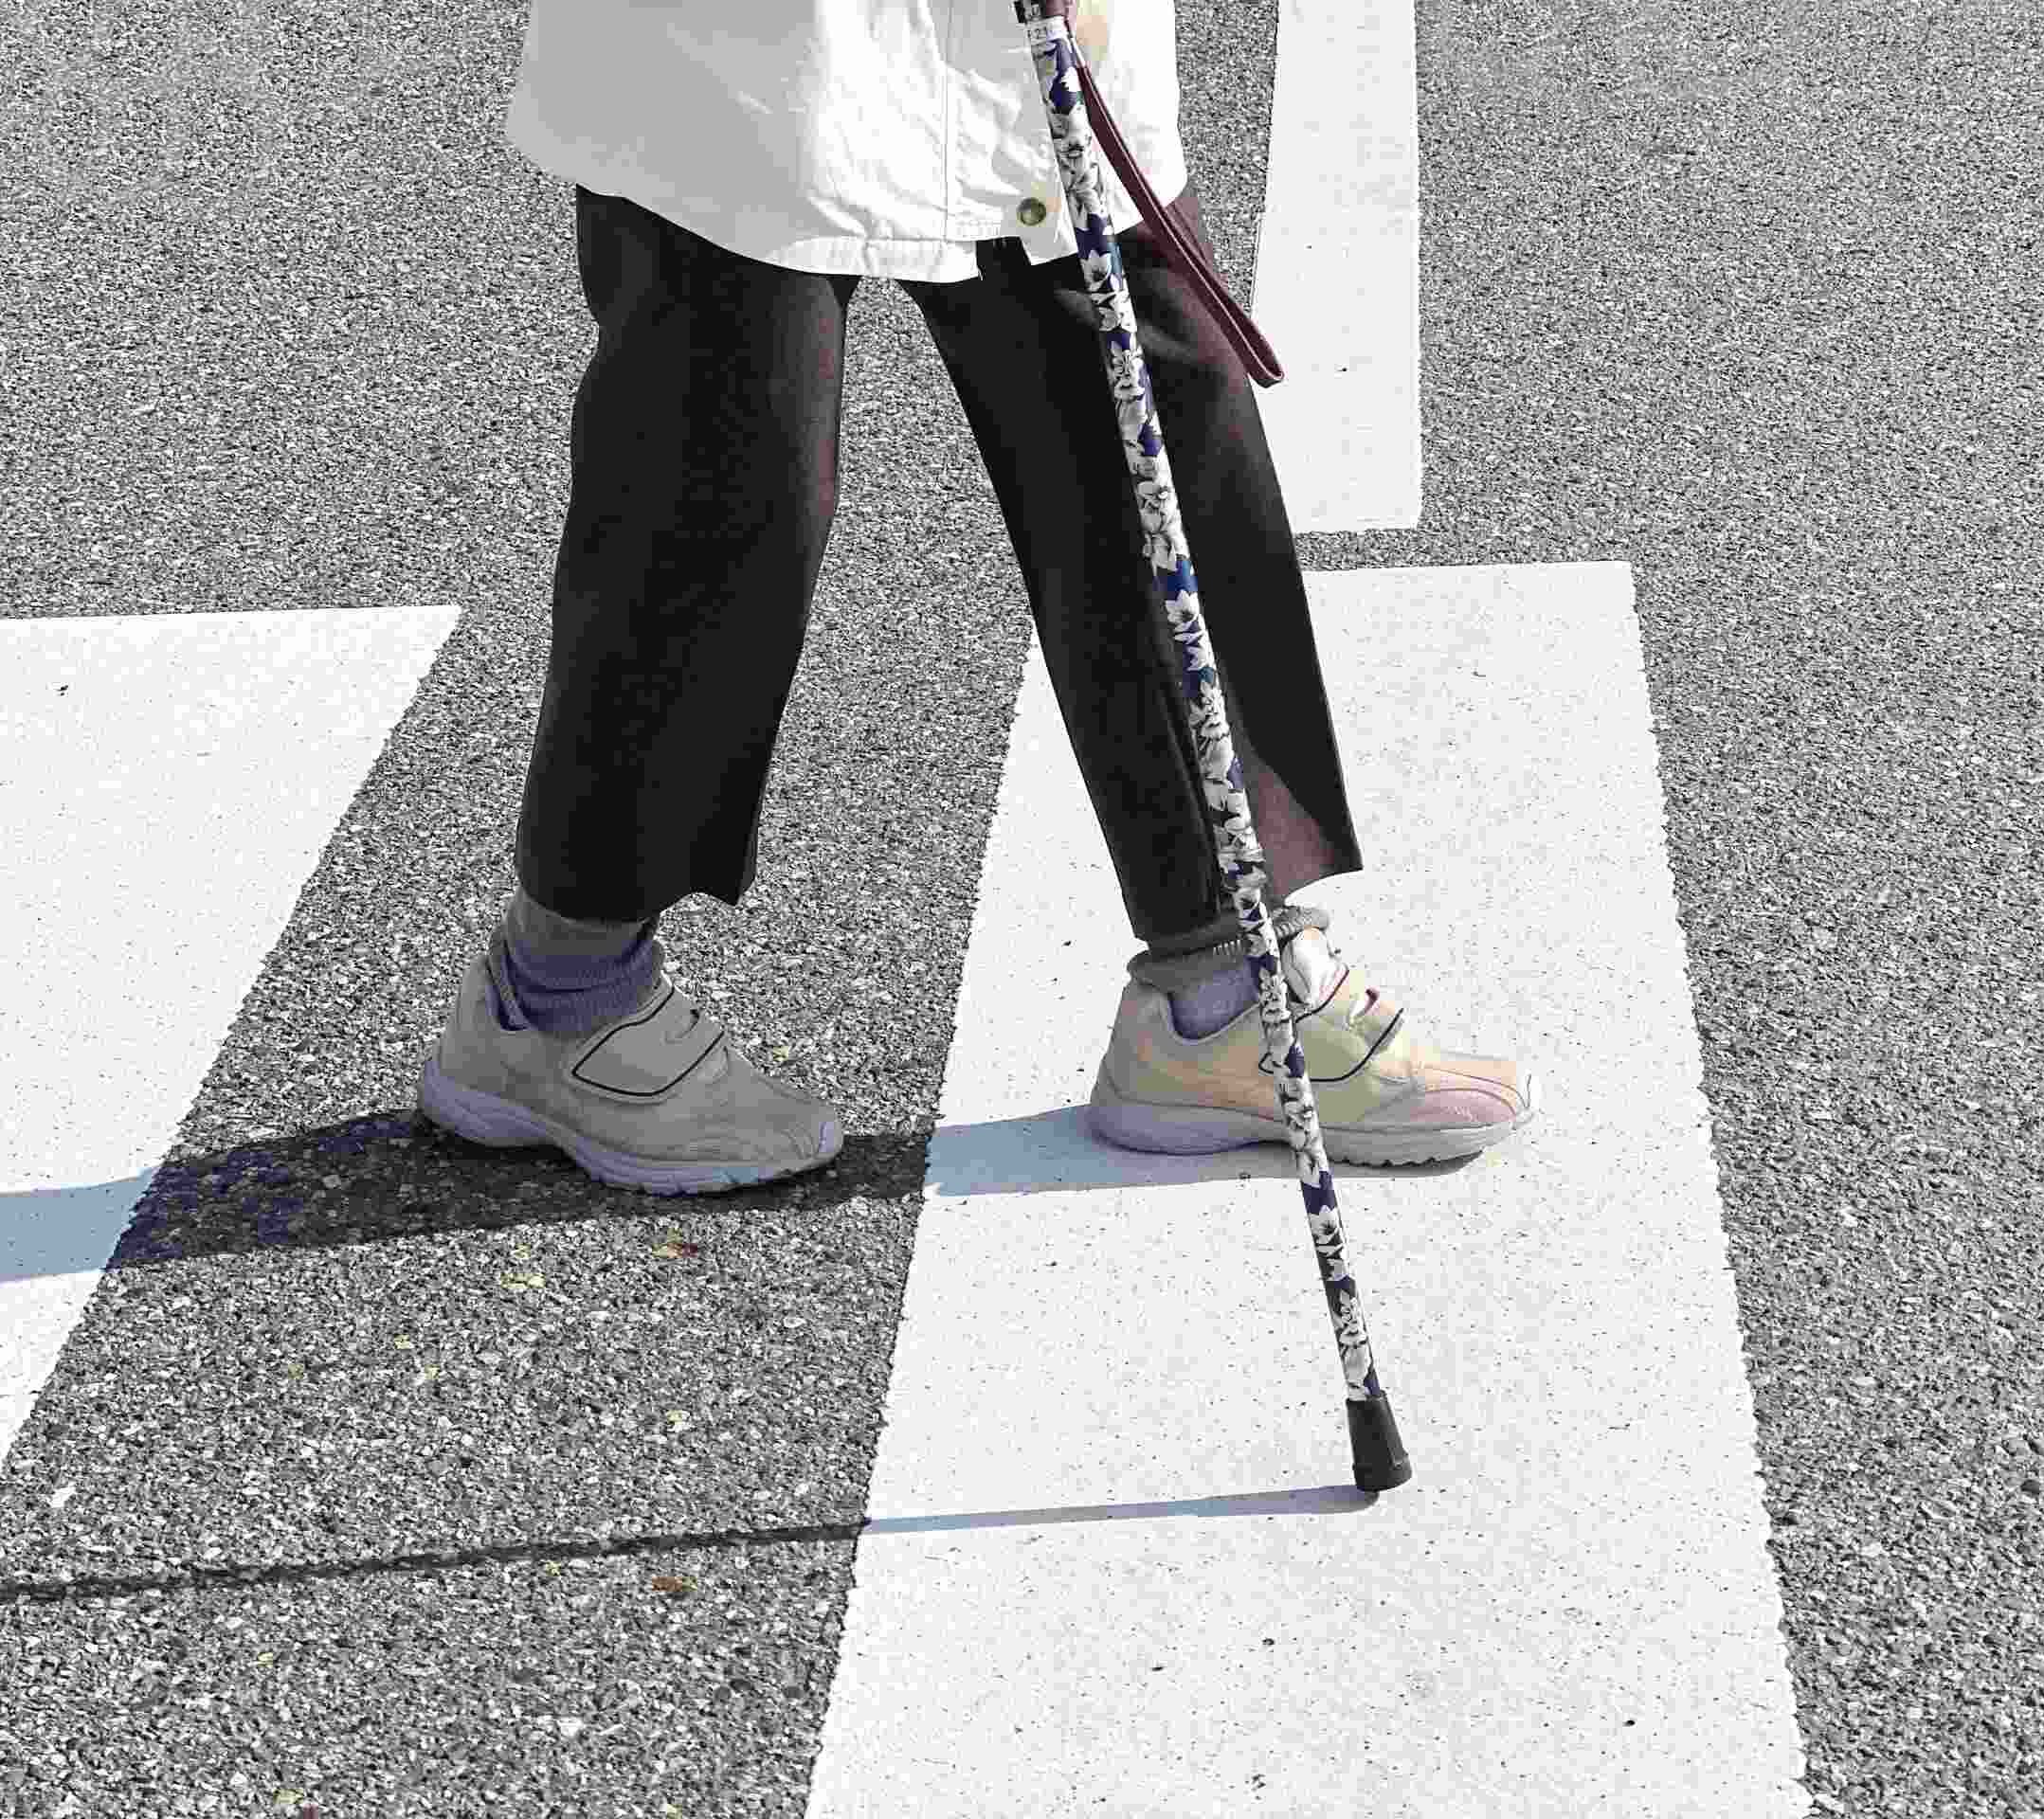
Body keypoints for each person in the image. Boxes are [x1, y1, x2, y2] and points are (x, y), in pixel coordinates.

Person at [415, 0, 1540, 1195]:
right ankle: (559, 999)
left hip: (1023, 43)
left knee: (1152, 410)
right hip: (744, 52)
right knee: (729, 473)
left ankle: (1221, 993)